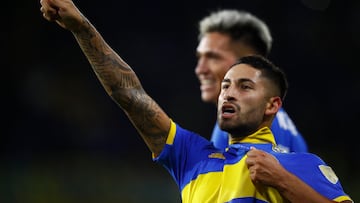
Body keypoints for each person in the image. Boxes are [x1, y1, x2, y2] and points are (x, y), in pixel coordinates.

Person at [40, 0, 353, 202]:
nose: (228, 93)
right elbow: (130, 96)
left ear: (272, 105)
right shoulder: (193, 157)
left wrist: (283, 181)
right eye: (226, 86)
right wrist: (81, 28)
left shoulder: (300, 165)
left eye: (245, 87)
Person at [195, 9, 308, 153]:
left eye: (214, 57)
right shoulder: (285, 125)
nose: (200, 69)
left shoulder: (238, 122)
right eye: (200, 57)